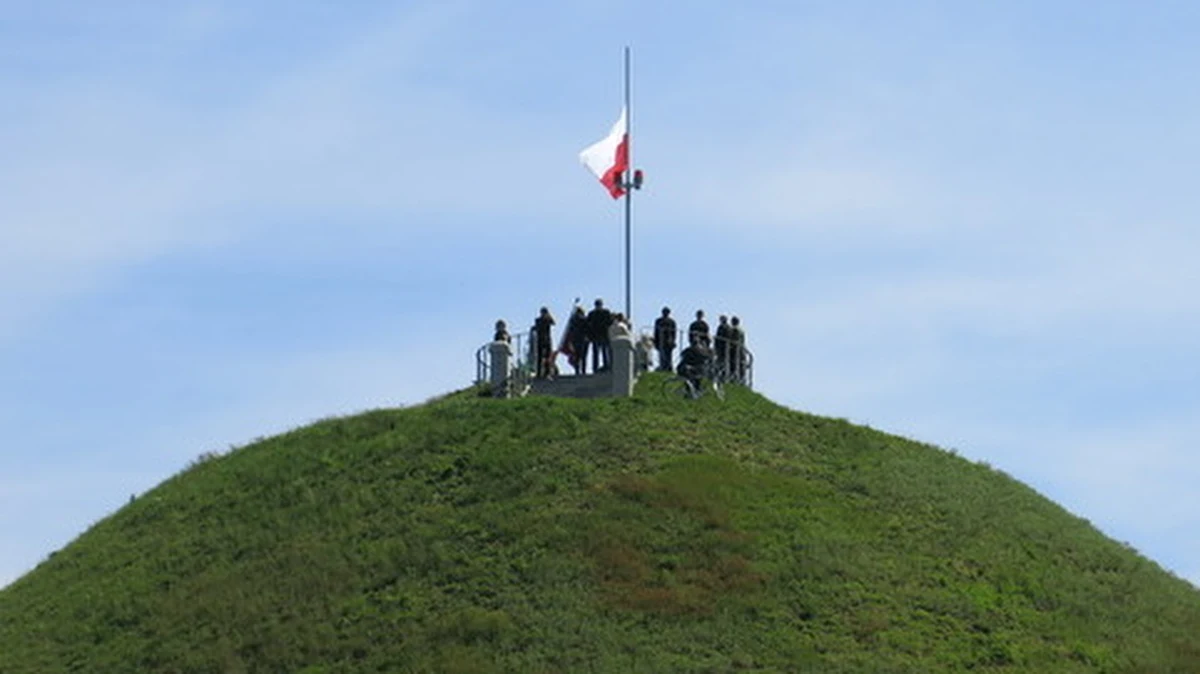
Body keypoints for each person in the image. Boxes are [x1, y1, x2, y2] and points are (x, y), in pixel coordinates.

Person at [586, 298, 614, 372]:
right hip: (599, 335)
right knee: (599, 352)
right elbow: (610, 322)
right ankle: (600, 367)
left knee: (602, 352)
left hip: (600, 335)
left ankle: (602, 366)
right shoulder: (604, 312)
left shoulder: (592, 314)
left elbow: (588, 326)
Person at [564, 305, 589, 375]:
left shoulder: (572, 320)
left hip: (575, 340)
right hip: (583, 339)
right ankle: (583, 371)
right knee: (583, 356)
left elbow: (570, 331)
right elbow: (587, 329)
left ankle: (577, 370)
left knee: (577, 356)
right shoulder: (584, 319)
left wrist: (570, 341)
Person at [533, 307, 555, 379]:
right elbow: (536, 328)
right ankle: (539, 373)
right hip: (541, 340)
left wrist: (549, 316)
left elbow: (553, 323)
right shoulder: (538, 320)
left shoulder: (548, 320)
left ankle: (547, 372)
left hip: (547, 340)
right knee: (539, 357)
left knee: (548, 357)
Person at [653, 306, 677, 372]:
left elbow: (674, 332)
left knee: (669, 356)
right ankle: (662, 367)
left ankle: (669, 368)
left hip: (669, 341)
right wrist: (655, 341)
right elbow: (656, 331)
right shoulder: (658, 321)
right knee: (661, 355)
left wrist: (673, 341)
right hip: (661, 340)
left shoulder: (672, 322)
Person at [714, 315, 732, 379]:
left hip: (723, 347)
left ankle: (723, 375)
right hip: (723, 347)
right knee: (722, 361)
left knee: (723, 361)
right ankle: (722, 374)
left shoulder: (724, 327)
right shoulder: (728, 327)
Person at [730, 316, 747, 383]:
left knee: (734, 364)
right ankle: (741, 380)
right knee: (740, 365)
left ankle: (734, 379)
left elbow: (733, 339)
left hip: (735, 350)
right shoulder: (742, 331)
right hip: (741, 349)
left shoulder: (734, 330)